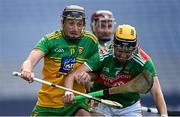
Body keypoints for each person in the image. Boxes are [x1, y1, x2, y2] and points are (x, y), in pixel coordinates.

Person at [64, 24, 168, 116]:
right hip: (102, 102)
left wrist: (163, 114)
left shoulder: (144, 61)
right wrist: (68, 92)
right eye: (120, 51)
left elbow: (156, 91)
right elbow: (73, 74)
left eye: (128, 52)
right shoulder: (103, 55)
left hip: (129, 106)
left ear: (135, 47)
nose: (123, 55)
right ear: (113, 44)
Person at [20, 5, 99, 116]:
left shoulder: (91, 41)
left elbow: (99, 70)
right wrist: (27, 69)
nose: (75, 29)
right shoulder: (50, 40)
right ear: (62, 23)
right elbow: (30, 60)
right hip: (48, 105)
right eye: (71, 23)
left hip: (76, 102)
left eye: (79, 24)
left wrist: (90, 77)